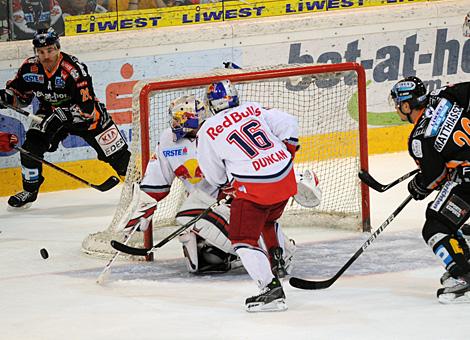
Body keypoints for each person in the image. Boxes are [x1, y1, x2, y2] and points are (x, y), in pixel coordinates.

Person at [119, 94, 301, 275]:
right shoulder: (168, 140)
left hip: (236, 197)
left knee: (191, 216)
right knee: (202, 264)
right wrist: (143, 208)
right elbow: (156, 181)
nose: (174, 124)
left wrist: (227, 191)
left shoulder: (215, 132)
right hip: (208, 203)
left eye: (178, 120)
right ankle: (244, 254)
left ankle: (275, 253)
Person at [196, 79, 299, 312]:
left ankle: (270, 289)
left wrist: (226, 186)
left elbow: (211, 170)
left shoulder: (208, 128)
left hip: (256, 187)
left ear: (211, 104)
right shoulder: (252, 108)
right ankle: (278, 261)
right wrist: (287, 156)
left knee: (242, 238)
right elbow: (289, 124)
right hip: (285, 178)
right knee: (268, 218)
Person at [0, 28, 130, 209]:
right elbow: (20, 96)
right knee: (30, 148)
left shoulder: (74, 71)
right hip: (49, 112)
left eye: (50, 50)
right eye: (41, 51)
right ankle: (30, 191)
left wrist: (61, 116)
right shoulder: (29, 68)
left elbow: (87, 109)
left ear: (58, 48)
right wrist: (7, 97)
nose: (46, 56)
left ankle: (140, 186)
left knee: (119, 157)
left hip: (86, 118)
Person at [390, 76, 470, 304]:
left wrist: (419, 186)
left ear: (407, 105)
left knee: (435, 225)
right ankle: (464, 262)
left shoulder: (417, 139)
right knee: (454, 221)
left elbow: (436, 176)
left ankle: (464, 276)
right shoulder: (446, 96)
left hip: (468, 182)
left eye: (398, 105)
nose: (398, 109)